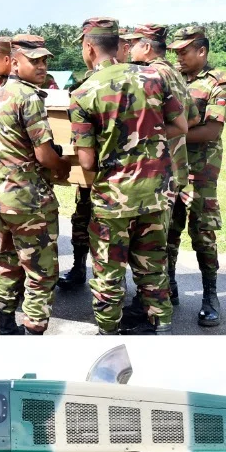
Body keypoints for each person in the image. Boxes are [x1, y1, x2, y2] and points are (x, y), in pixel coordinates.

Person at [69, 17, 185, 335]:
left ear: (89, 47)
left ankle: (108, 330)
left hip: (113, 199)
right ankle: (159, 326)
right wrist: (148, 142)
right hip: (157, 192)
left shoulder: (83, 93)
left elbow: (88, 161)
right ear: (117, 45)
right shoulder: (153, 77)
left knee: (108, 270)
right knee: (153, 265)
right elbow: (181, 126)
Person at [0, 32, 72, 335]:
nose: (42, 66)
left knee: (7, 262)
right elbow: (44, 154)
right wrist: (61, 169)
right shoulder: (29, 98)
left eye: (45, 60)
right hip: (28, 201)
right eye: (35, 60)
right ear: (16, 62)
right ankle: (33, 332)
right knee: (40, 271)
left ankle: (6, 325)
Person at [125, 25, 196, 328]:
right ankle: (162, 298)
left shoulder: (152, 75)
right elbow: (190, 117)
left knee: (150, 245)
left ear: (145, 46)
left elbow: (175, 124)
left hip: (159, 169)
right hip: (176, 167)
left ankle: (150, 307)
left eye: (131, 44)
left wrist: (142, 136)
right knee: (163, 240)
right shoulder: (175, 73)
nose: (127, 49)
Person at [170, 24, 226, 328]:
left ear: (202, 51)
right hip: (170, 169)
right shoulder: (169, 78)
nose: (178, 57)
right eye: (175, 52)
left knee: (203, 236)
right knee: (167, 232)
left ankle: (210, 296)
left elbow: (212, 130)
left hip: (200, 172)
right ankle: (167, 288)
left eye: (184, 51)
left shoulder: (217, 85)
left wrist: (168, 134)